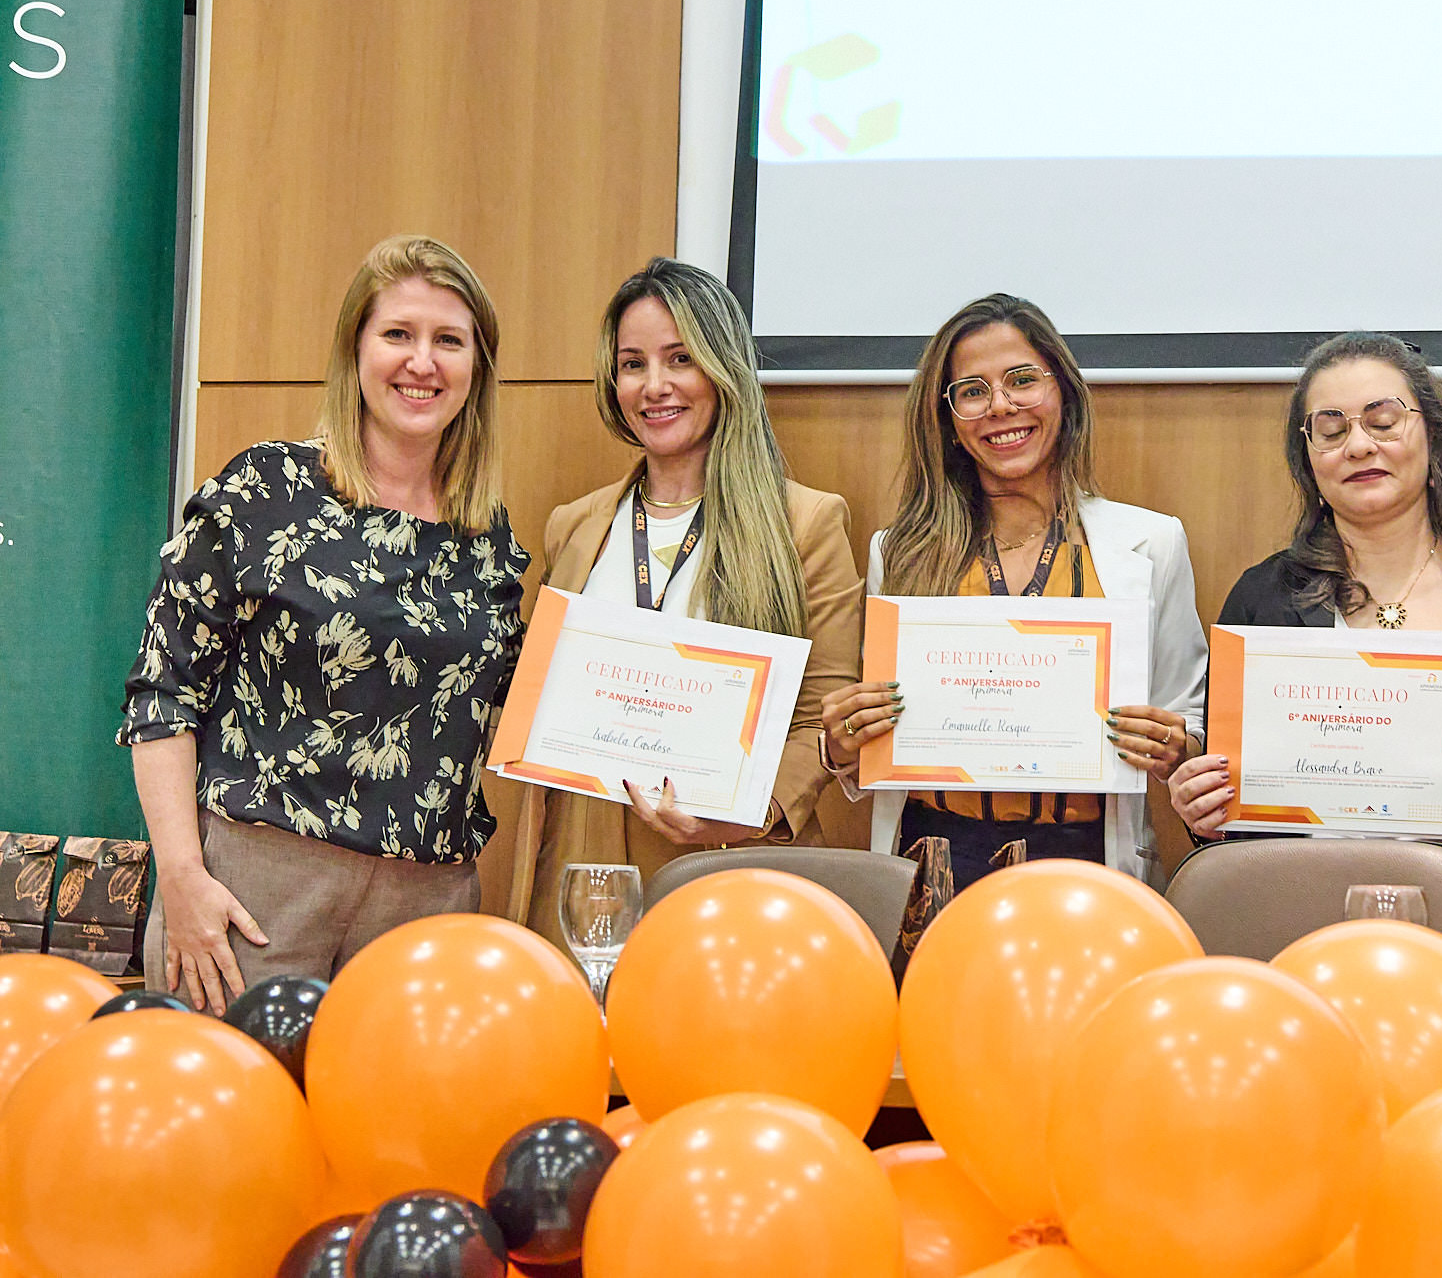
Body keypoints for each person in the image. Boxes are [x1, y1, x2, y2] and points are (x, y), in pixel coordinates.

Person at [121, 235, 527, 1014]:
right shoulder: (265, 489)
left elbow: (515, 706)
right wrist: (181, 875)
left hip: (427, 905)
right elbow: (163, 690)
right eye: (398, 333)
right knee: (229, 1093)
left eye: (449, 340)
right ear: (355, 350)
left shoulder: (488, 538)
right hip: (256, 889)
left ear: (477, 368)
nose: (422, 362)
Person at [1164, 333, 1442, 919]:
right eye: (1331, 430)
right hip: (1301, 921)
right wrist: (1204, 812)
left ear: (1433, 435)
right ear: (1308, 458)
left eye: (1382, 421)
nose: (1358, 446)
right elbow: (1233, 807)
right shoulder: (1262, 599)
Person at [506, 258, 863, 951]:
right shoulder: (574, 526)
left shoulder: (806, 524)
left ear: (722, 369)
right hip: (583, 861)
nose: (654, 386)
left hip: (726, 860)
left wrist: (746, 813)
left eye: (680, 358)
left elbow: (825, 717)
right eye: (632, 364)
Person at [819, 293, 1207, 889]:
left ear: (1063, 393)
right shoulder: (897, 552)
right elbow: (878, 740)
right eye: (972, 391)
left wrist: (1176, 747)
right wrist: (844, 745)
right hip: (931, 862)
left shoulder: (1152, 544)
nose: (1000, 406)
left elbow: (1188, 719)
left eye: (1022, 380)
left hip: (1089, 864)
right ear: (949, 420)